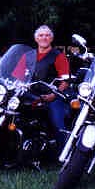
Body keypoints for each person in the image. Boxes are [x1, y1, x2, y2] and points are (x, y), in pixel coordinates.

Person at [14, 25, 70, 158]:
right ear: (36, 38)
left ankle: (64, 153)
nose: (44, 38)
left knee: (57, 120)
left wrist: (53, 95)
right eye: (41, 35)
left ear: (51, 38)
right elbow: (17, 77)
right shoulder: (27, 56)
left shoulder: (58, 56)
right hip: (30, 94)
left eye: (47, 35)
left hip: (52, 95)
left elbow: (65, 81)